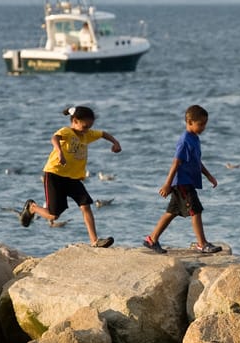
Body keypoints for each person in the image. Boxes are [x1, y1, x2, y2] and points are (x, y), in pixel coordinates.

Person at [19, 105, 120, 247]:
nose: (87, 130)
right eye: (85, 126)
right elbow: (54, 138)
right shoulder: (67, 131)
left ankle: (95, 241)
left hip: (73, 179)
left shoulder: (87, 135)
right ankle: (32, 207)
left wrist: (115, 143)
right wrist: (59, 151)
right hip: (54, 175)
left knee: (86, 205)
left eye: (90, 126)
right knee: (54, 215)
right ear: (74, 121)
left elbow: (103, 134)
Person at [143, 104, 222, 254]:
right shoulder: (185, 140)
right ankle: (202, 243)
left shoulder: (195, 139)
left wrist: (209, 176)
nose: (203, 127)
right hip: (182, 182)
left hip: (187, 182)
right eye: (201, 124)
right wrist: (167, 184)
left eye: (205, 124)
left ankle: (151, 239)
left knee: (171, 212)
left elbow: (197, 161)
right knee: (196, 210)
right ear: (189, 122)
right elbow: (176, 163)